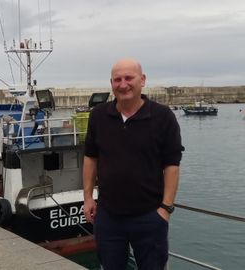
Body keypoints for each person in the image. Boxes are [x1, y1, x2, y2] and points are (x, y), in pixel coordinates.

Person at [83, 59, 184, 270]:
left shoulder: (163, 117)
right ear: (111, 83)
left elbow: (172, 165)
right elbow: (91, 157)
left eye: (129, 78)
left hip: (149, 215)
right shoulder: (98, 116)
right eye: (117, 79)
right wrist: (87, 197)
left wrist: (165, 209)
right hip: (108, 216)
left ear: (142, 80)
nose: (123, 84)